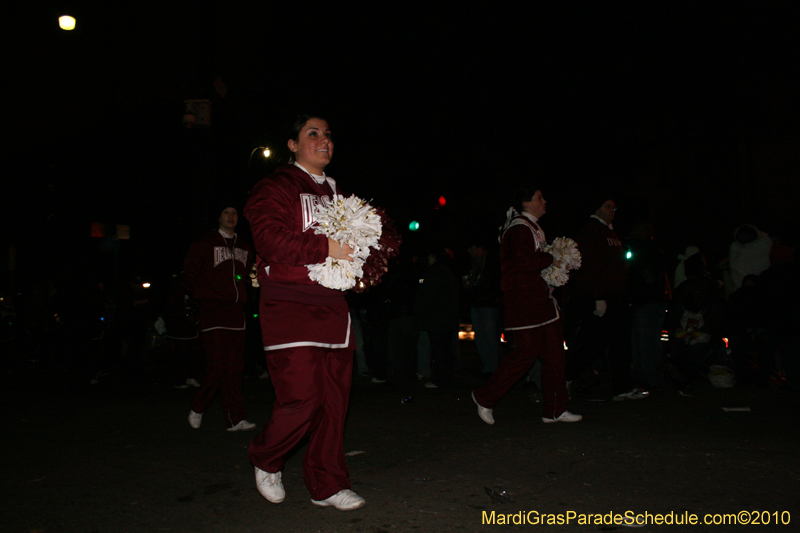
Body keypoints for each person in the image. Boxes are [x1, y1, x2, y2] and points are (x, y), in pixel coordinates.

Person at [244, 115, 365, 511]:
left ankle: (327, 484)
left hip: (332, 305)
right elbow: (269, 239)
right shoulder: (275, 186)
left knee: (334, 401)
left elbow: (354, 245)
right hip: (288, 302)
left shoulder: (337, 193)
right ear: (292, 145)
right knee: (303, 398)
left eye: (328, 134)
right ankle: (266, 456)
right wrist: (325, 248)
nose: (324, 140)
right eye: (312, 134)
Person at [471, 187, 581, 424]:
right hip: (524, 301)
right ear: (526, 203)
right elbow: (523, 262)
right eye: (539, 198)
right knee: (524, 354)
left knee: (554, 355)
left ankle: (555, 409)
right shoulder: (518, 228)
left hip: (540, 300)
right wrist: (552, 258)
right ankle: (485, 397)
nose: (544, 201)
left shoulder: (531, 226)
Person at [565, 195, 646, 401]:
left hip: (616, 297)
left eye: (614, 207)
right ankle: (564, 376)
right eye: (607, 206)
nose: (612, 210)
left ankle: (622, 387)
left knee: (620, 343)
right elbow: (591, 267)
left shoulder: (611, 232)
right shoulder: (590, 232)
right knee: (594, 343)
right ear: (597, 209)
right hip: (601, 298)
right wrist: (598, 297)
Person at [184, 203, 256, 432]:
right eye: (226, 212)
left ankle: (235, 419)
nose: (231, 216)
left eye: (234, 213)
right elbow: (189, 276)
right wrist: (203, 296)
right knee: (217, 366)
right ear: (218, 217)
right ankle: (198, 406)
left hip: (236, 313)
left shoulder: (245, 246)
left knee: (235, 368)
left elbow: (248, 276)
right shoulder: (204, 244)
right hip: (212, 311)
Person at [413, 247, 460, 388]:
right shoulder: (448, 271)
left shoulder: (435, 272)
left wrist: (421, 313)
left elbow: (428, 296)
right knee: (445, 349)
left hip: (438, 318)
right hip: (446, 317)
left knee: (440, 350)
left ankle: (440, 379)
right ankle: (446, 378)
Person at [465, 237, 503, 375]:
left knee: (490, 335)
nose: (470, 251)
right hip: (478, 302)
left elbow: (493, 283)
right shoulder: (475, 263)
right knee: (481, 336)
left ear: (480, 248)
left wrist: (491, 298)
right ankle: (488, 365)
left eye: (472, 248)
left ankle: (493, 366)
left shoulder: (491, 262)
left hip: (488, 303)